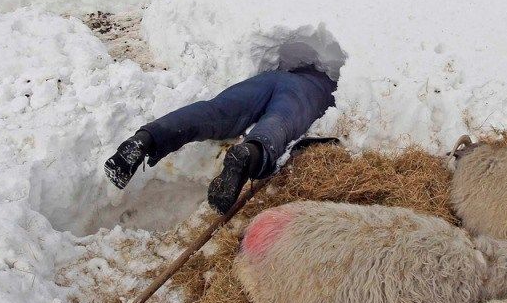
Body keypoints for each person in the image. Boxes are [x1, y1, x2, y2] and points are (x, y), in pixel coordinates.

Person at [104, 66, 336, 212]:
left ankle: (146, 139)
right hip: (308, 92)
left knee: (216, 112)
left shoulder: (296, 68)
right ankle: (250, 153)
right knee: (278, 122)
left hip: (271, 78)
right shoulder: (332, 85)